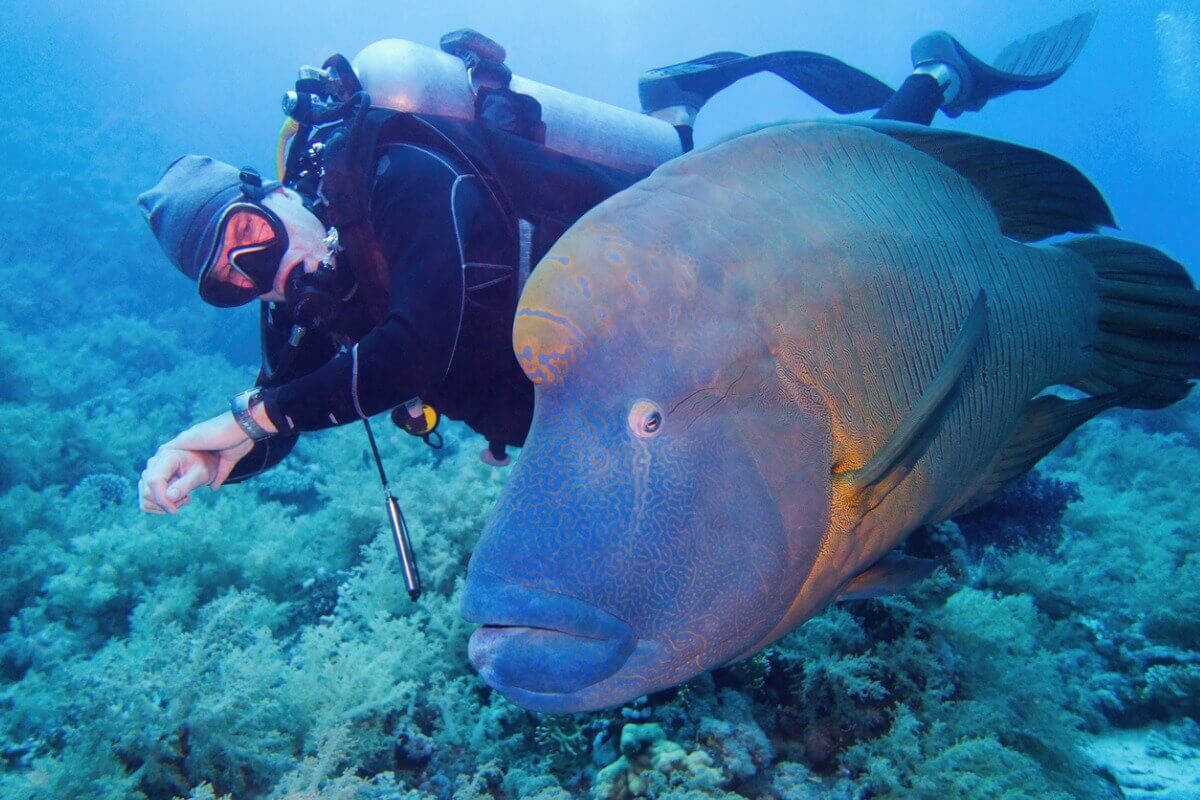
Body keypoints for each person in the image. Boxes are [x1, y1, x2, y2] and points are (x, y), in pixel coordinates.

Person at [137, 14, 1096, 515]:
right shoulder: (300, 307)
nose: (261, 277)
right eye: (232, 280)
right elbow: (279, 414)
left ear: (271, 190)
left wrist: (249, 417)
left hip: (667, 275)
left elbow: (415, 348)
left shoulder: (399, 172)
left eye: (250, 241)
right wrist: (217, 459)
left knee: (846, 213)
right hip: (595, 392)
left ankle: (937, 78)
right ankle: (677, 107)